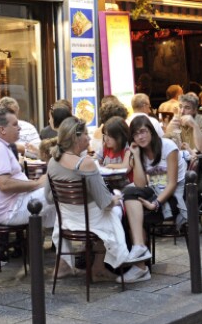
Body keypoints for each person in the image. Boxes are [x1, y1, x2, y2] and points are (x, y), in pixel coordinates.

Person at [45, 117, 146, 281]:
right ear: (75, 137)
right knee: (117, 210)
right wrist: (118, 197)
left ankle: (75, 265)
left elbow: (49, 198)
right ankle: (99, 267)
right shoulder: (86, 164)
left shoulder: (52, 162)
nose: (89, 138)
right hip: (90, 221)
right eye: (86, 134)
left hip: (67, 221)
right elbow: (105, 203)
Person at [120, 115, 188, 283]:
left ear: (151, 131)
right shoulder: (141, 152)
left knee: (133, 213)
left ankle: (140, 266)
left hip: (172, 199)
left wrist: (155, 204)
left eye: (143, 131)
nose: (140, 137)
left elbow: (172, 184)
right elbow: (141, 184)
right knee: (127, 200)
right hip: (153, 193)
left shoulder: (168, 147)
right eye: (136, 134)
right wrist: (135, 155)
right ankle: (139, 251)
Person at [0, 107, 54, 227]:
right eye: (15, 125)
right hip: (10, 210)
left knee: (57, 194)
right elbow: (4, 184)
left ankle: (55, 242)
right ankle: (69, 237)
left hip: (13, 204)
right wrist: (36, 184)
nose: (19, 128)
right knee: (58, 190)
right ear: (2, 129)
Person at [164, 92, 202, 158]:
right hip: (186, 161)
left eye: (187, 108)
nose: (182, 111)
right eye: (180, 107)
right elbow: (166, 148)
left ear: (195, 110)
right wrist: (169, 128)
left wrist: (195, 126)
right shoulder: (176, 121)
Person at [97, 116, 133, 182]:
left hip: (127, 185)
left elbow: (126, 167)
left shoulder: (127, 148)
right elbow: (96, 160)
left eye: (110, 136)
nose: (106, 139)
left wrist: (109, 166)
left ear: (120, 137)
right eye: (105, 135)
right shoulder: (105, 146)